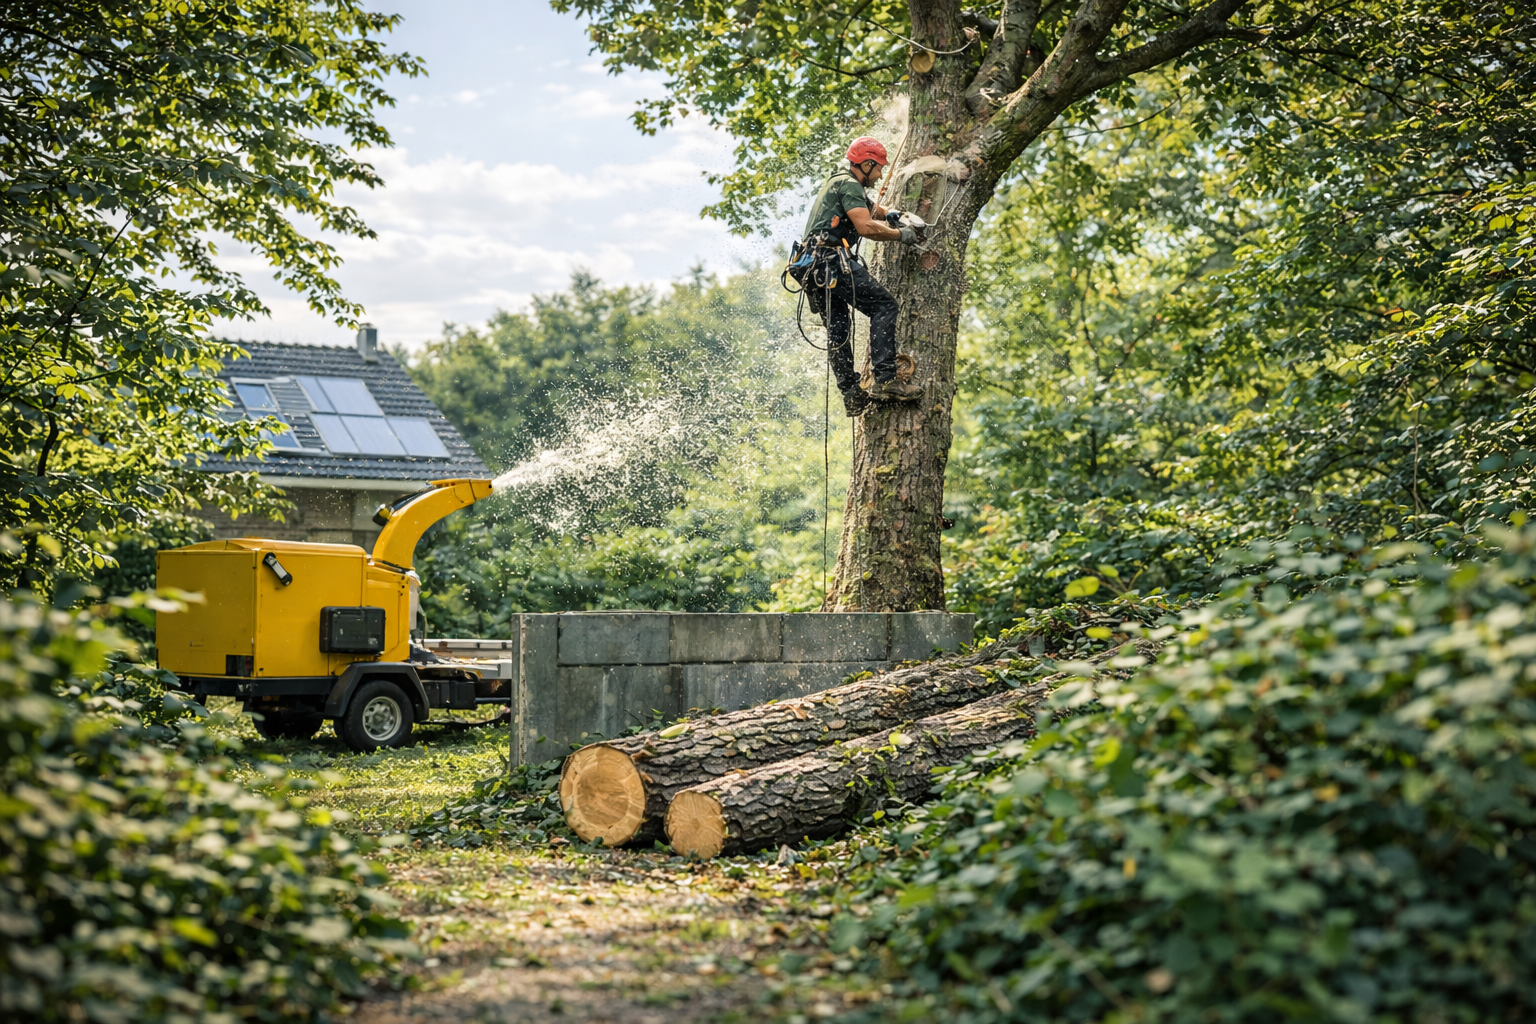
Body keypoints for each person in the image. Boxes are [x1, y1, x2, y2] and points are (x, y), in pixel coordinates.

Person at [798, 136, 925, 417]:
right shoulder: (849, 183)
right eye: (878, 168)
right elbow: (865, 226)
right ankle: (886, 380)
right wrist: (900, 234)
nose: (879, 175)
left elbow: (867, 208)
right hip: (829, 261)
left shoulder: (839, 181)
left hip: (813, 267)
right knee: (884, 306)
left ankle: (852, 394)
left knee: (839, 330)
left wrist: (891, 214)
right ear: (866, 164)